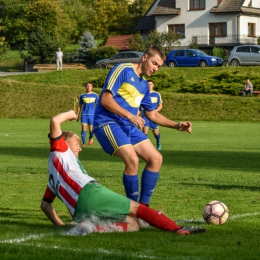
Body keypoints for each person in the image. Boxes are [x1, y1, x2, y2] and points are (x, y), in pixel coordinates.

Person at [40, 110, 206, 236]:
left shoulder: (53, 174)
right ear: (65, 143)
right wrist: (70, 114)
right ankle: (177, 229)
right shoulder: (60, 150)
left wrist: (60, 225)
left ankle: (90, 228)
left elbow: (45, 205)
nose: (80, 147)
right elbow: (55, 121)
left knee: (132, 225)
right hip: (89, 193)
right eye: (77, 143)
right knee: (137, 208)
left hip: (79, 212)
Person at [93, 45, 192, 207]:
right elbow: (105, 99)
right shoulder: (123, 69)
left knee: (156, 158)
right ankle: (132, 209)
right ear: (144, 57)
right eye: (154, 63)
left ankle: (143, 209)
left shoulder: (144, 85)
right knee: (132, 160)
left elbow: (151, 114)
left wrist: (176, 125)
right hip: (107, 122)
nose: (156, 69)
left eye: (159, 66)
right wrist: (130, 115)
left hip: (128, 125)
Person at [141, 79, 163, 151]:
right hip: (145, 115)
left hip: (153, 116)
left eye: (150, 84)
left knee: (156, 133)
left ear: (153, 85)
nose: (149, 86)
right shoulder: (142, 94)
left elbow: (160, 106)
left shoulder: (157, 94)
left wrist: (155, 111)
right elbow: (139, 106)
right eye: (148, 84)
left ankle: (158, 141)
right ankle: (146, 147)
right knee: (145, 131)